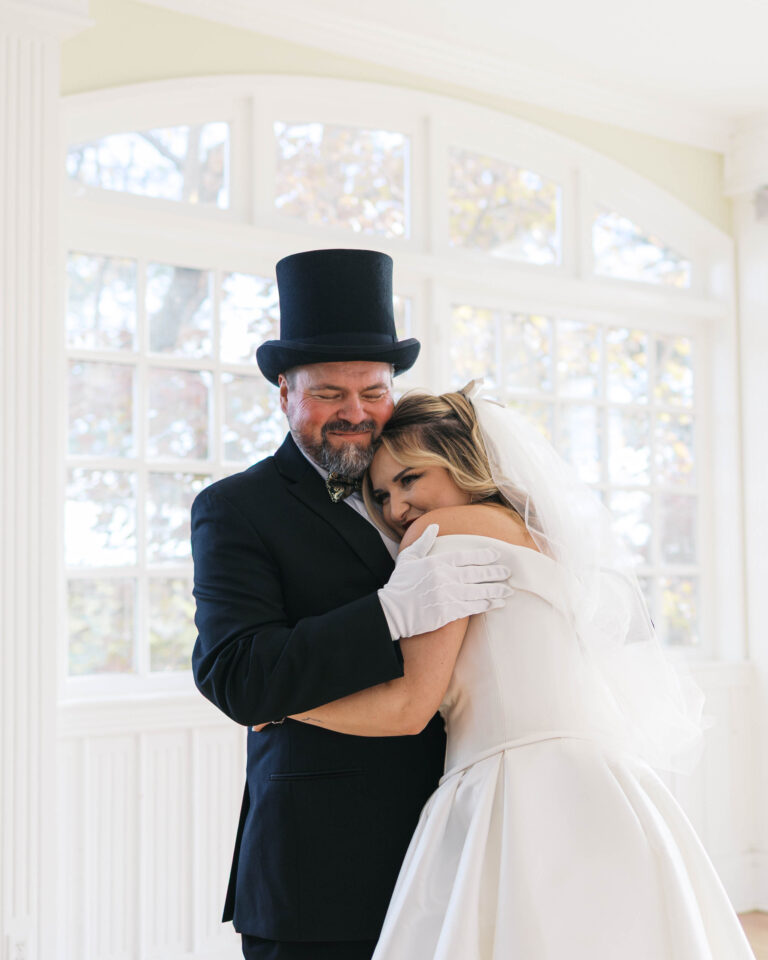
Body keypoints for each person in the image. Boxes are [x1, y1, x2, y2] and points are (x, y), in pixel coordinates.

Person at [268, 385, 756, 960]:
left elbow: (409, 708)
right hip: (606, 787)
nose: (397, 508)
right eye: (380, 493)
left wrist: (287, 705)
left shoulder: (442, 533)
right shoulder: (543, 540)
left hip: (515, 790)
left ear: (460, 461)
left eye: (410, 478)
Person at [190, 249, 512, 960]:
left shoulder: (430, 484)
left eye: (372, 390)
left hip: (457, 846)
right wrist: (389, 615)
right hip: (318, 874)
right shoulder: (235, 509)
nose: (356, 413)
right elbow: (236, 673)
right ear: (284, 394)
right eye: (329, 393)